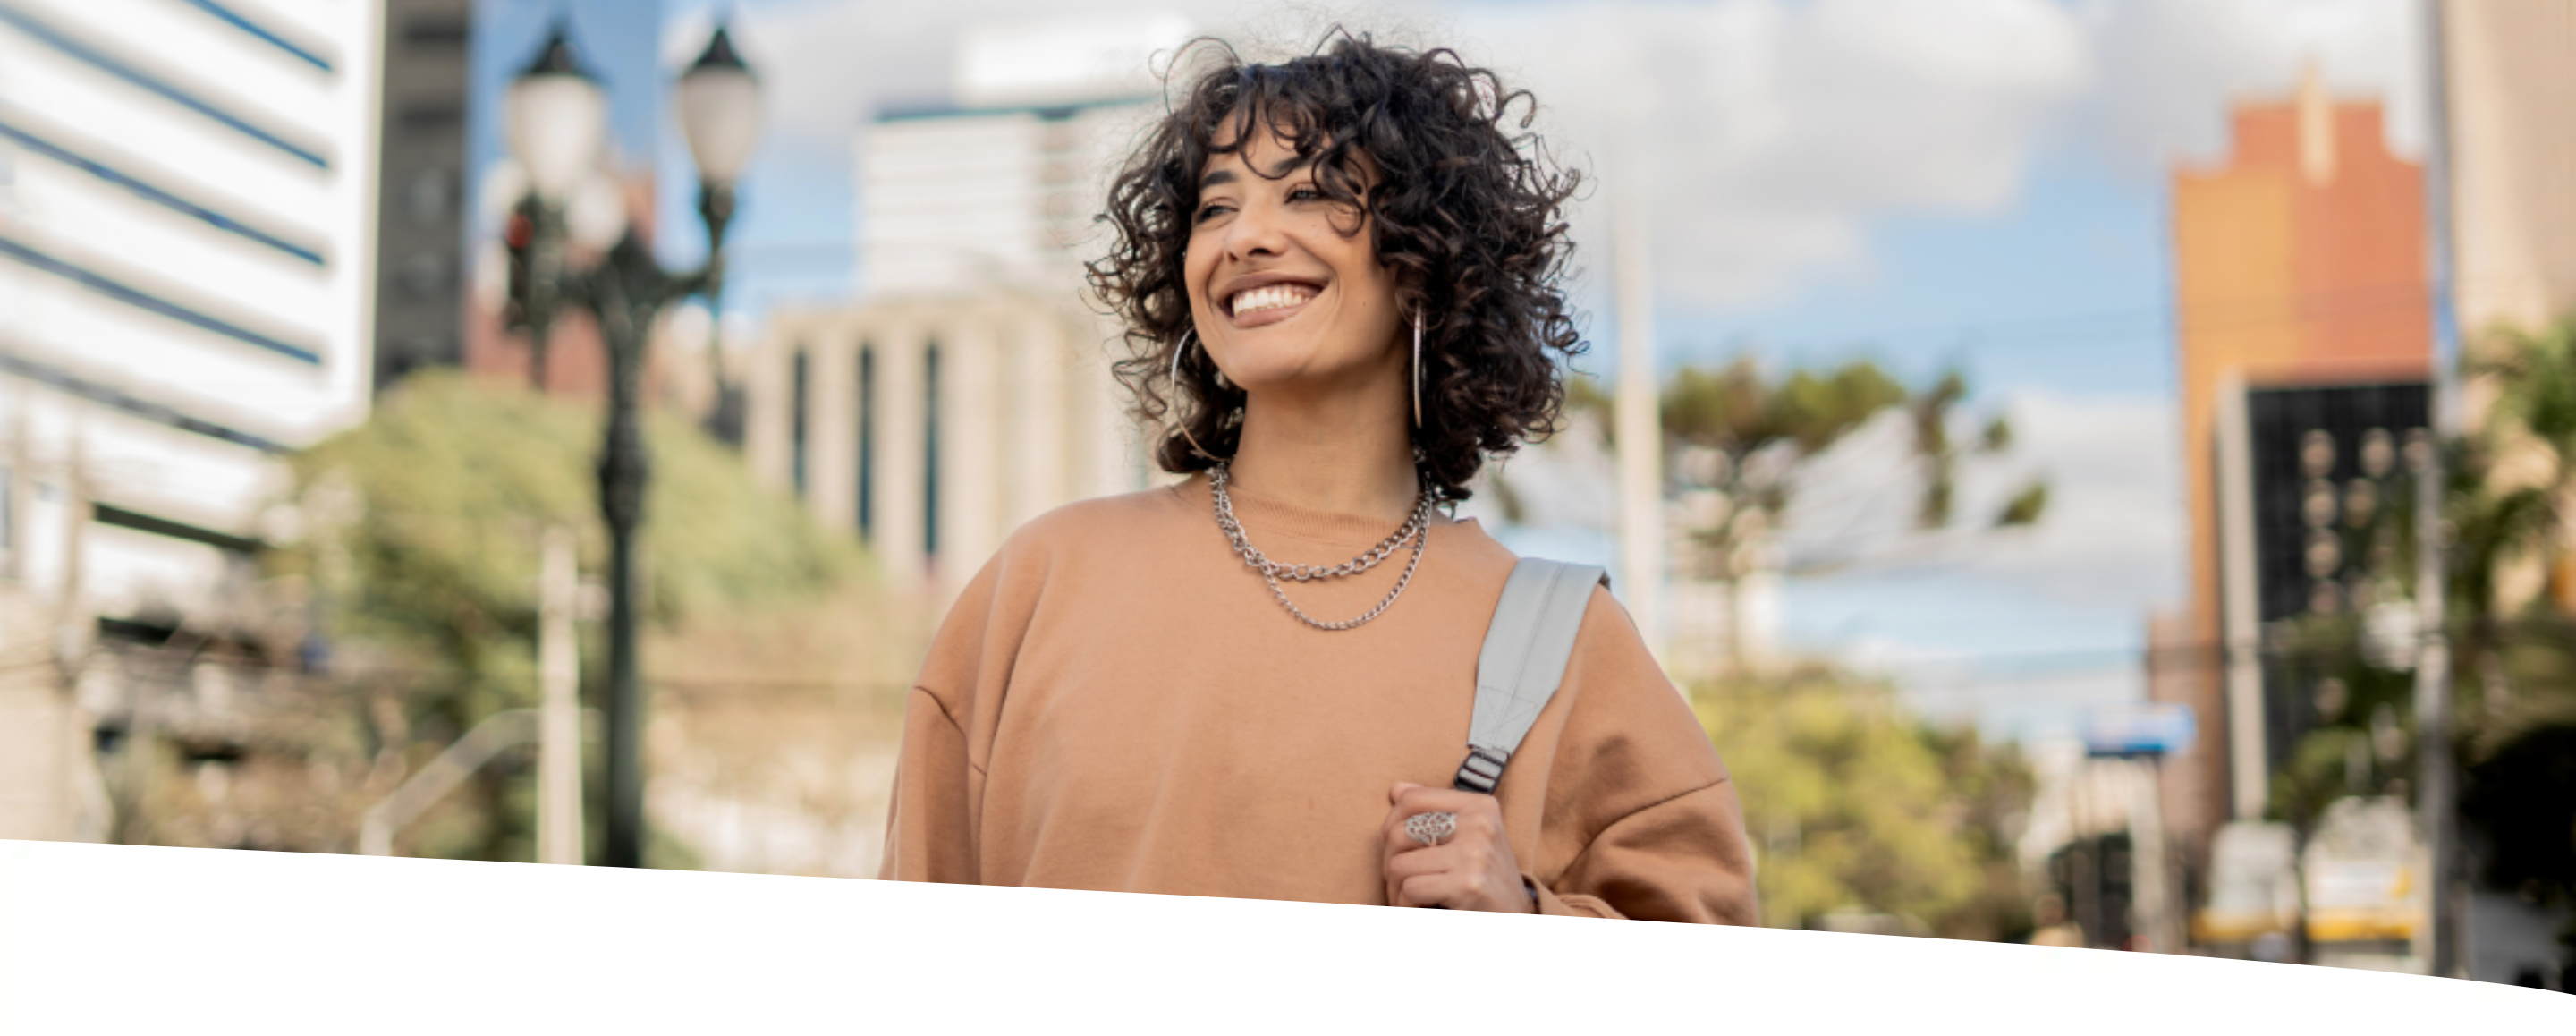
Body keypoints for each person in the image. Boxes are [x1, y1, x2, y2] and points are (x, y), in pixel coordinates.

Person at [876, 31, 1758, 921]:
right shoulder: (1043, 581)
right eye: (1215, 210)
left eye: (1309, 194)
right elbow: (905, 945)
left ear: (1424, 262)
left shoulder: (1565, 641)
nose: (1247, 238)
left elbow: (1714, 959)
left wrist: (1526, 920)